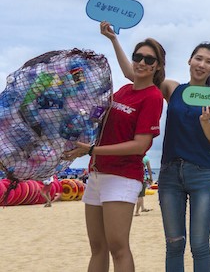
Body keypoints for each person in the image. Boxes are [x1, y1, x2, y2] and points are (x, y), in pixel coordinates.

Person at [103, 21, 210, 271]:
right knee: (174, 244)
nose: (202, 64)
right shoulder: (172, 88)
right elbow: (134, 74)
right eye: (198, 58)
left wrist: (205, 121)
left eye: (208, 61)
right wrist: (114, 40)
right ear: (189, 61)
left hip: (203, 174)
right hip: (169, 173)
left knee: (200, 245)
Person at [64, 26, 166, 272]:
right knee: (97, 247)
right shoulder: (123, 90)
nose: (141, 62)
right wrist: (113, 39)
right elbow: (127, 71)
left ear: (157, 66)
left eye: (149, 59)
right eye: (137, 56)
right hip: (97, 174)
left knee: (118, 248)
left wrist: (92, 150)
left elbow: (140, 145)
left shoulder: (152, 97)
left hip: (122, 177)